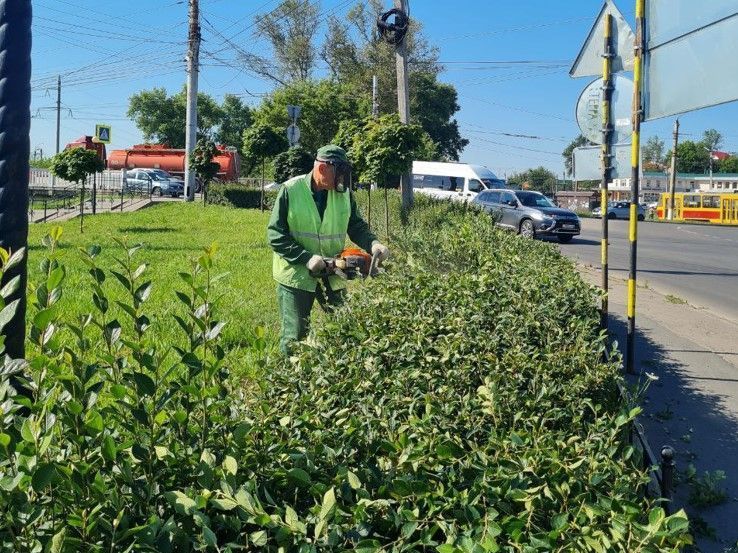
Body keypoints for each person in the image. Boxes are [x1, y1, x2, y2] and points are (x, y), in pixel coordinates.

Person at [267, 144, 390, 354]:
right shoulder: (290, 190)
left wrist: (373, 243)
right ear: (323, 169)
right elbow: (275, 235)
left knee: (346, 327)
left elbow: (356, 225)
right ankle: (287, 380)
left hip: (333, 270)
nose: (342, 179)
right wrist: (305, 258)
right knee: (295, 335)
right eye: (339, 173)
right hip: (296, 274)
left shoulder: (343, 194)